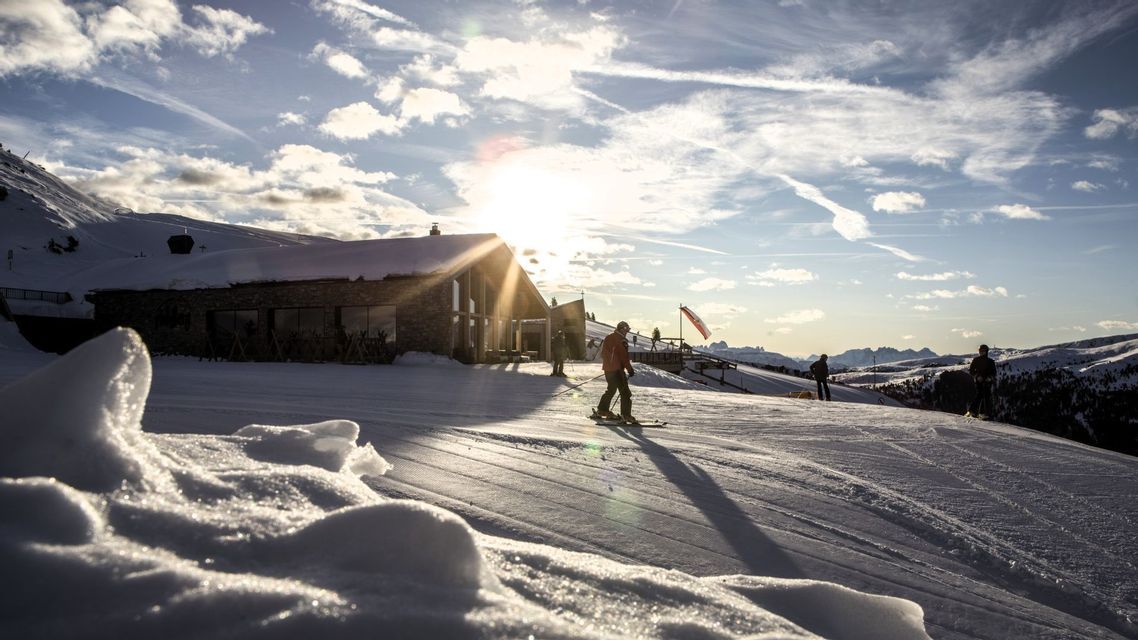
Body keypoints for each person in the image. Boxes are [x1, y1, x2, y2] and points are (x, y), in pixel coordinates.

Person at [594, 321, 636, 422]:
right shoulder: (621, 340)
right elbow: (624, 357)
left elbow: (603, 353)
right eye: (626, 330)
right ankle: (626, 415)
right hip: (617, 371)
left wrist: (609, 365)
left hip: (608, 369)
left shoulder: (609, 337)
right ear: (621, 329)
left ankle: (602, 410)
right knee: (625, 393)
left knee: (611, 389)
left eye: (628, 330)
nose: (627, 332)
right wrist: (630, 369)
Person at [966, 344, 997, 419]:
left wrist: (990, 377)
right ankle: (973, 411)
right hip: (979, 381)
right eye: (980, 351)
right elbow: (971, 371)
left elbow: (994, 372)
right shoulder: (976, 360)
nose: (981, 352)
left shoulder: (990, 361)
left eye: (983, 351)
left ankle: (982, 413)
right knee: (980, 395)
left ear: (986, 352)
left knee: (986, 396)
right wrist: (977, 376)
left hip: (987, 381)